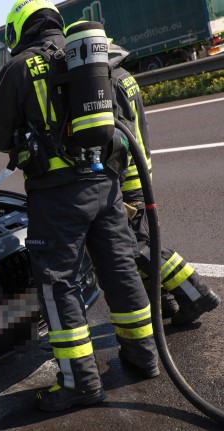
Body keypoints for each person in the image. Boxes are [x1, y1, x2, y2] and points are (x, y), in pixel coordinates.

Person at [0, 0, 159, 412]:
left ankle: (79, 382)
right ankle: (144, 355)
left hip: (57, 194)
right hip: (106, 184)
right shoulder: (87, 57)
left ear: (18, 30)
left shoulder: (19, 68)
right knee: (119, 268)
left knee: (58, 282)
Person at [102, 39, 222, 326]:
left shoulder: (109, 84)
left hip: (129, 179)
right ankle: (163, 304)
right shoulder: (124, 77)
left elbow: (118, 139)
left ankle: (197, 293)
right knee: (137, 244)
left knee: (138, 246)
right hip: (139, 173)